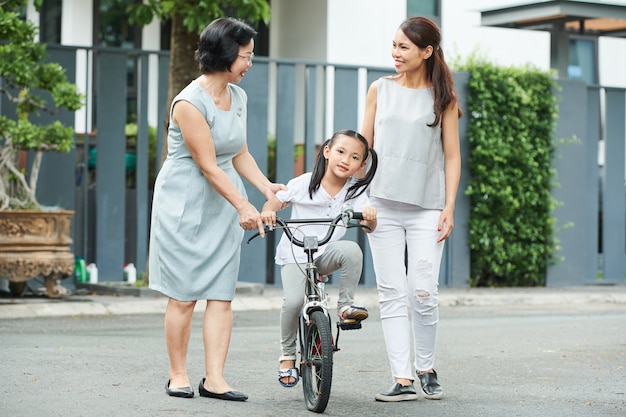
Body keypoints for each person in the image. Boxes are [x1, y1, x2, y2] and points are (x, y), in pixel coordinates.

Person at [148, 17, 285, 402]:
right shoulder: (190, 102)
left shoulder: (237, 96)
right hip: (186, 202)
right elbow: (207, 165)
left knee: (221, 294)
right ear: (225, 55)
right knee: (184, 294)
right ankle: (178, 375)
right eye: (246, 56)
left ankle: (215, 379)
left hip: (225, 200)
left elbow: (238, 152)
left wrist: (265, 187)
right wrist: (243, 204)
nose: (250, 63)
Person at [360, 17, 462, 402]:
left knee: (422, 292)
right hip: (381, 206)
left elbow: (452, 158)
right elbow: (363, 149)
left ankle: (427, 367)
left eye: (403, 47)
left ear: (426, 51)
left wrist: (449, 206)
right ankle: (402, 378)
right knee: (390, 292)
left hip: (427, 208)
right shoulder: (379, 90)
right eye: (394, 45)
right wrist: (359, 202)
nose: (395, 53)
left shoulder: (444, 99)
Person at [260, 130, 378, 387]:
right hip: (296, 253)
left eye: (355, 157)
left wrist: (370, 217)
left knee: (352, 250)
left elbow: (370, 228)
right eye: (340, 151)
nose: (346, 159)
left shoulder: (355, 192)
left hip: (325, 252)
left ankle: (345, 306)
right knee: (293, 301)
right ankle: (287, 355)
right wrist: (268, 213)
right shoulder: (304, 182)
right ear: (327, 151)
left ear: (361, 165)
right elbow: (274, 203)